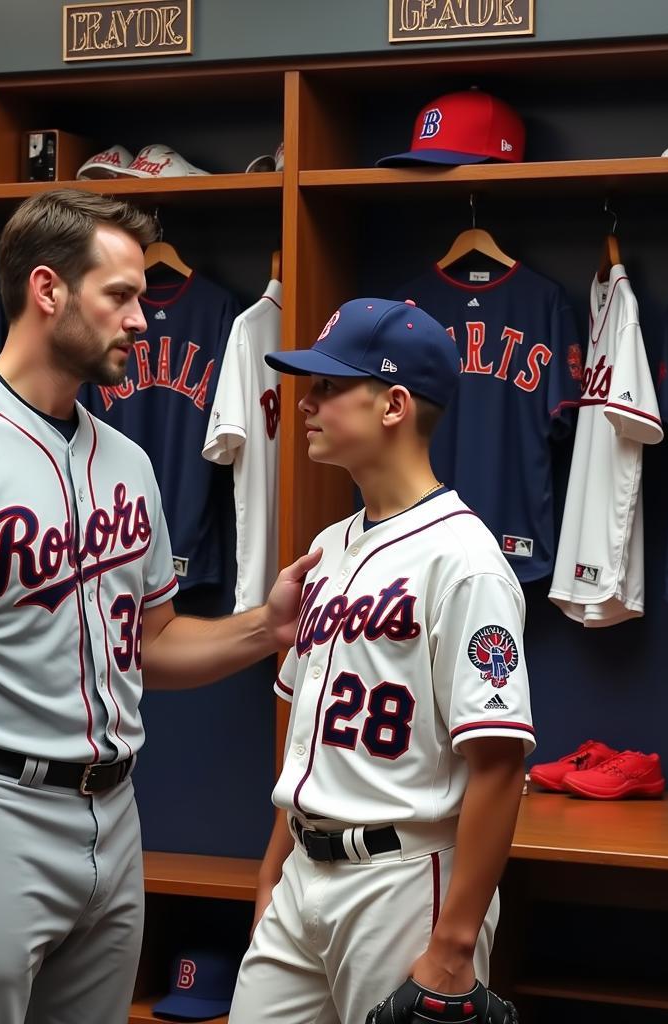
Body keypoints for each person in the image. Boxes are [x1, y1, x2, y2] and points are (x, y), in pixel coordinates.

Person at [0, 189, 319, 1024]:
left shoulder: (128, 461)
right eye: (120, 295)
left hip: (113, 811)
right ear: (48, 290)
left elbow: (150, 641)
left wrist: (265, 627)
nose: (142, 321)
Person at [228, 298, 535, 1024]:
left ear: (394, 404)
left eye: (331, 386)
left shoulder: (466, 562)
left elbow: (499, 765)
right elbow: (308, 736)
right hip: (305, 872)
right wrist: (274, 874)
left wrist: (454, 947)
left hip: (404, 880)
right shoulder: (328, 548)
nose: (309, 401)